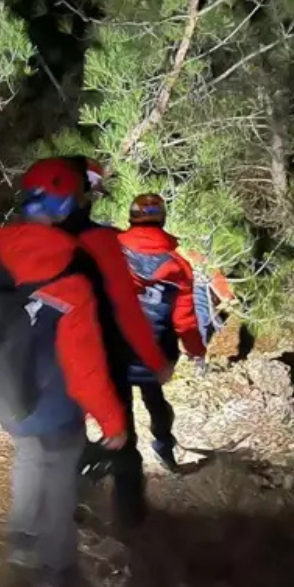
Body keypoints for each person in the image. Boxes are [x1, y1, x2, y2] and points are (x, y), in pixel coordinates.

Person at [0, 158, 128, 587]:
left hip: (5, 396)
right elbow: (84, 364)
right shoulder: (72, 271)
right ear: (66, 205)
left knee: (29, 451)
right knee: (59, 474)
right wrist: (112, 422)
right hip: (54, 403)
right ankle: (56, 568)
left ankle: (20, 541)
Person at [55, 157, 172, 527]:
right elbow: (126, 308)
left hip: (51, 357)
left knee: (61, 435)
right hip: (102, 352)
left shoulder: (31, 238)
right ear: (83, 195)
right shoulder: (103, 242)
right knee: (122, 434)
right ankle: (130, 520)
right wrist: (154, 360)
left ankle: (62, 510)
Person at [118, 193, 208, 474]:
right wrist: (196, 351)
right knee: (155, 401)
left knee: (120, 408)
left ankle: (123, 466)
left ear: (131, 218)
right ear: (163, 219)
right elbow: (185, 320)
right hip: (156, 352)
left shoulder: (112, 254)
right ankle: (165, 449)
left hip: (116, 349)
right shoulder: (179, 266)